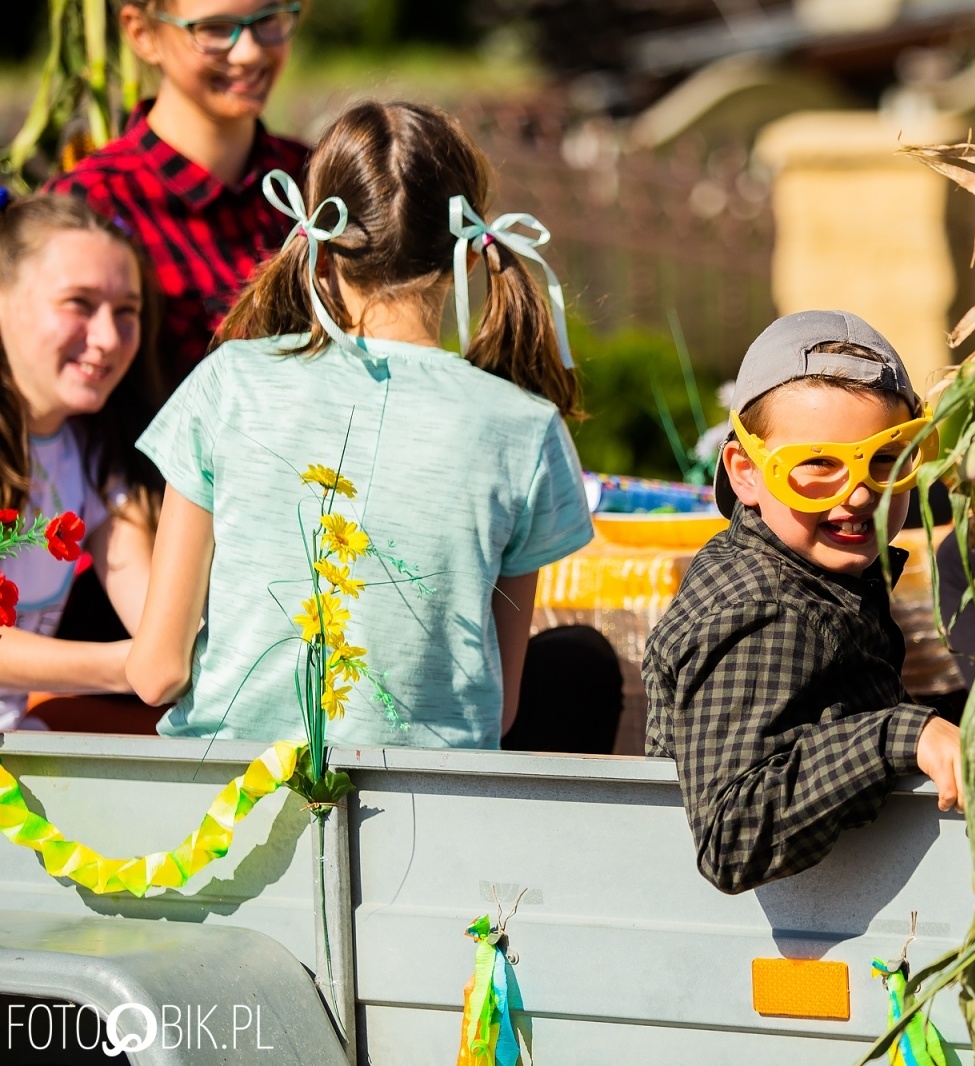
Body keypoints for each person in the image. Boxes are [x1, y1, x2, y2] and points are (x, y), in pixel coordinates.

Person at [125, 101, 593, 749]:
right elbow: (499, 706)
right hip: (433, 818)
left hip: (227, 818)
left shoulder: (228, 384)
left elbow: (156, 673)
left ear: (320, 251)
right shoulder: (525, 427)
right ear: (467, 256)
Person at [643, 310, 975, 894]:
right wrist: (899, 736)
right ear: (747, 472)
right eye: (817, 464)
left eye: (886, 460)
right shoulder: (765, 611)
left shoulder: (812, 575)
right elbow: (731, 837)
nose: (859, 494)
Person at [46, 0, 308, 382]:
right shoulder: (91, 205)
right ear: (142, 33)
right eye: (215, 28)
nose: (249, 51)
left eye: (267, 19)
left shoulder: (317, 178)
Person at [0, 193, 164, 730]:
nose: (109, 338)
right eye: (78, 303)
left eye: (127, 312)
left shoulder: (95, 452)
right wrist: (130, 667)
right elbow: (150, 658)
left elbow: (154, 617)